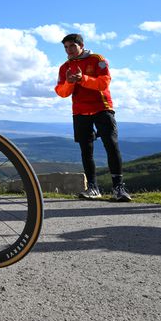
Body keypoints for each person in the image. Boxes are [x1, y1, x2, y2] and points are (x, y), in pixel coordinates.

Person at [55, 33, 131, 201]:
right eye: (66, 47)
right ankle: (93, 188)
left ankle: (119, 188)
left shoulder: (97, 59)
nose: (69, 50)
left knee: (111, 145)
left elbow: (103, 83)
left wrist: (83, 79)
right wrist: (70, 82)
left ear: (81, 45)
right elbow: (61, 92)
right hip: (80, 112)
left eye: (72, 46)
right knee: (86, 151)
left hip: (102, 108)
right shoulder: (64, 67)